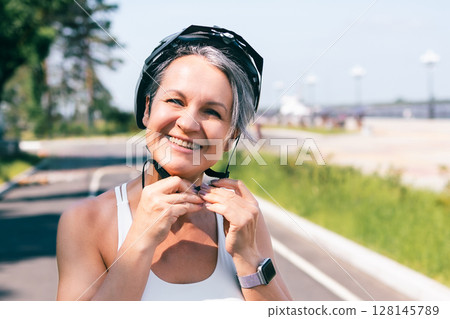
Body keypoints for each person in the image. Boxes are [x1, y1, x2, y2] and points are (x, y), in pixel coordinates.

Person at [56, 25, 292, 301]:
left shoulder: (241, 217)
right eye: (175, 101)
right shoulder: (86, 221)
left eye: (212, 112)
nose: (188, 123)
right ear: (147, 110)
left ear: (231, 137)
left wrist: (248, 256)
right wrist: (138, 242)